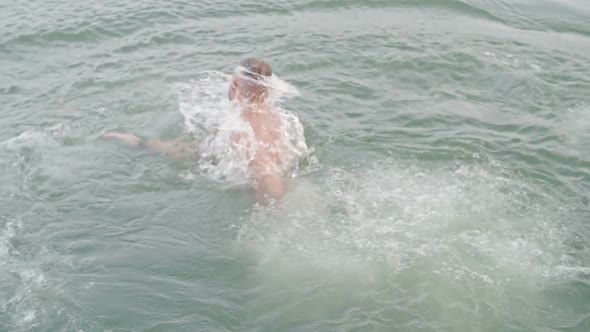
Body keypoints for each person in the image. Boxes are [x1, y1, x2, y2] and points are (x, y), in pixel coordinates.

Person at [104, 58, 293, 204]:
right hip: (292, 187)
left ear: (234, 85)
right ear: (268, 90)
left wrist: (142, 144)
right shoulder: (279, 119)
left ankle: (138, 142)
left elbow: (265, 173)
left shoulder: (239, 125)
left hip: (268, 195)